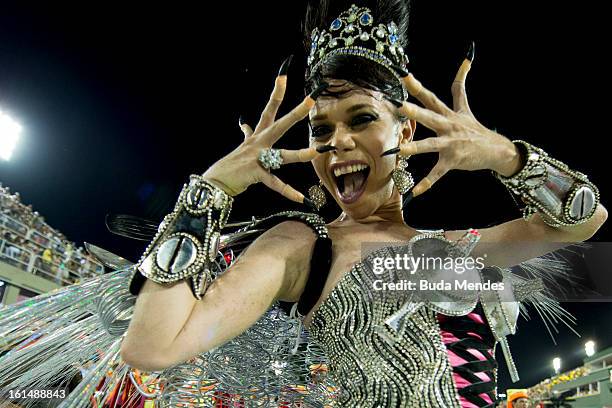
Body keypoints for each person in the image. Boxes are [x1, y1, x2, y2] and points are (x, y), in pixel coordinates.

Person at [0, 1, 607, 407]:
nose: (337, 142)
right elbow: (152, 347)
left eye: (361, 119)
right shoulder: (302, 246)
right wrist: (210, 190)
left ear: (408, 133)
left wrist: (508, 157)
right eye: (321, 131)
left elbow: (585, 223)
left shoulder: (446, 255)